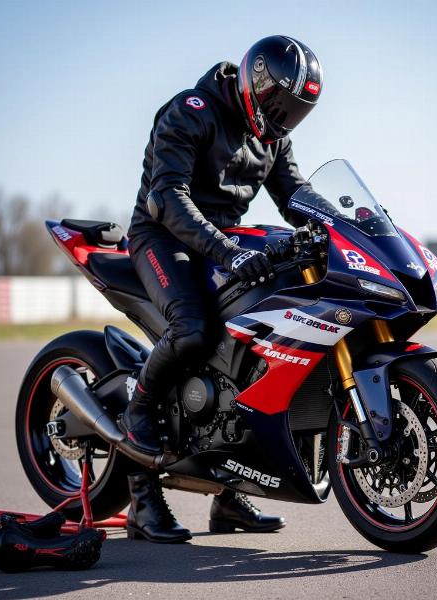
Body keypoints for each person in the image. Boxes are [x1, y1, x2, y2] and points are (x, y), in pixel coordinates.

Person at [120, 36, 324, 543]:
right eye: (280, 104)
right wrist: (228, 251)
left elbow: (294, 192)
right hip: (163, 236)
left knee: (257, 346)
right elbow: (167, 196)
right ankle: (139, 429)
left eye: (296, 112)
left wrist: (343, 223)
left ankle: (230, 498)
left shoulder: (273, 136)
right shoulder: (192, 110)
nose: (284, 118)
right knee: (192, 329)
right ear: (256, 82)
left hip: (224, 241)